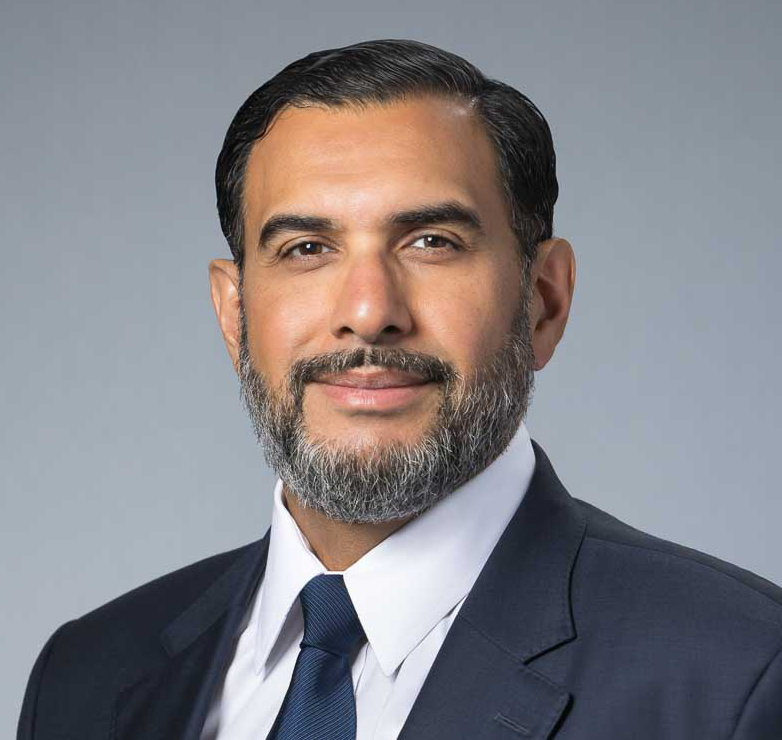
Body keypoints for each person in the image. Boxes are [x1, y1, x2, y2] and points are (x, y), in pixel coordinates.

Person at [17, 38, 782, 740]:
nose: (369, 311)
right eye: (307, 248)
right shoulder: (85, 679)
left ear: (543, 301)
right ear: (234, 313)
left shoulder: (739, 674)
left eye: (431, 242)